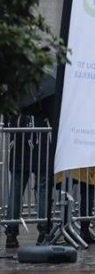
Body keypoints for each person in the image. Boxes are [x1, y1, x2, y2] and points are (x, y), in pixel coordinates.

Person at [4, 106, 53, 248]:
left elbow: (8, 118)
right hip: (41, 142)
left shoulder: (18, 91)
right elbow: (52, 113)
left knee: (16, 188)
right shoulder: (45, 91)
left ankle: (11, 233)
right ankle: (44, 231)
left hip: (19, 141)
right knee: (43, 187)